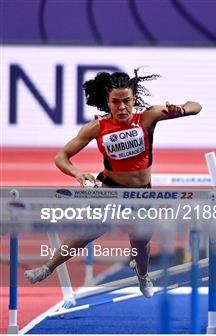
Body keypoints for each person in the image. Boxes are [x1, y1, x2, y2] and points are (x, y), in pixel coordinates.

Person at [24, 69, 202, 298]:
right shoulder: (97, 128)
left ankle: (142, 275)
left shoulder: (149, 116)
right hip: (111, 190)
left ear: (133, 99)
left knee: (140, 245)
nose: (121, 107)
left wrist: (183, 109)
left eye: (126, 101)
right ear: (107, 102)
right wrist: (78, 173)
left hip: (141, 194)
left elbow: (196, 106)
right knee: (87, 232)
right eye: (115, 102)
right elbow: (61, 157)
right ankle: (47, 267)